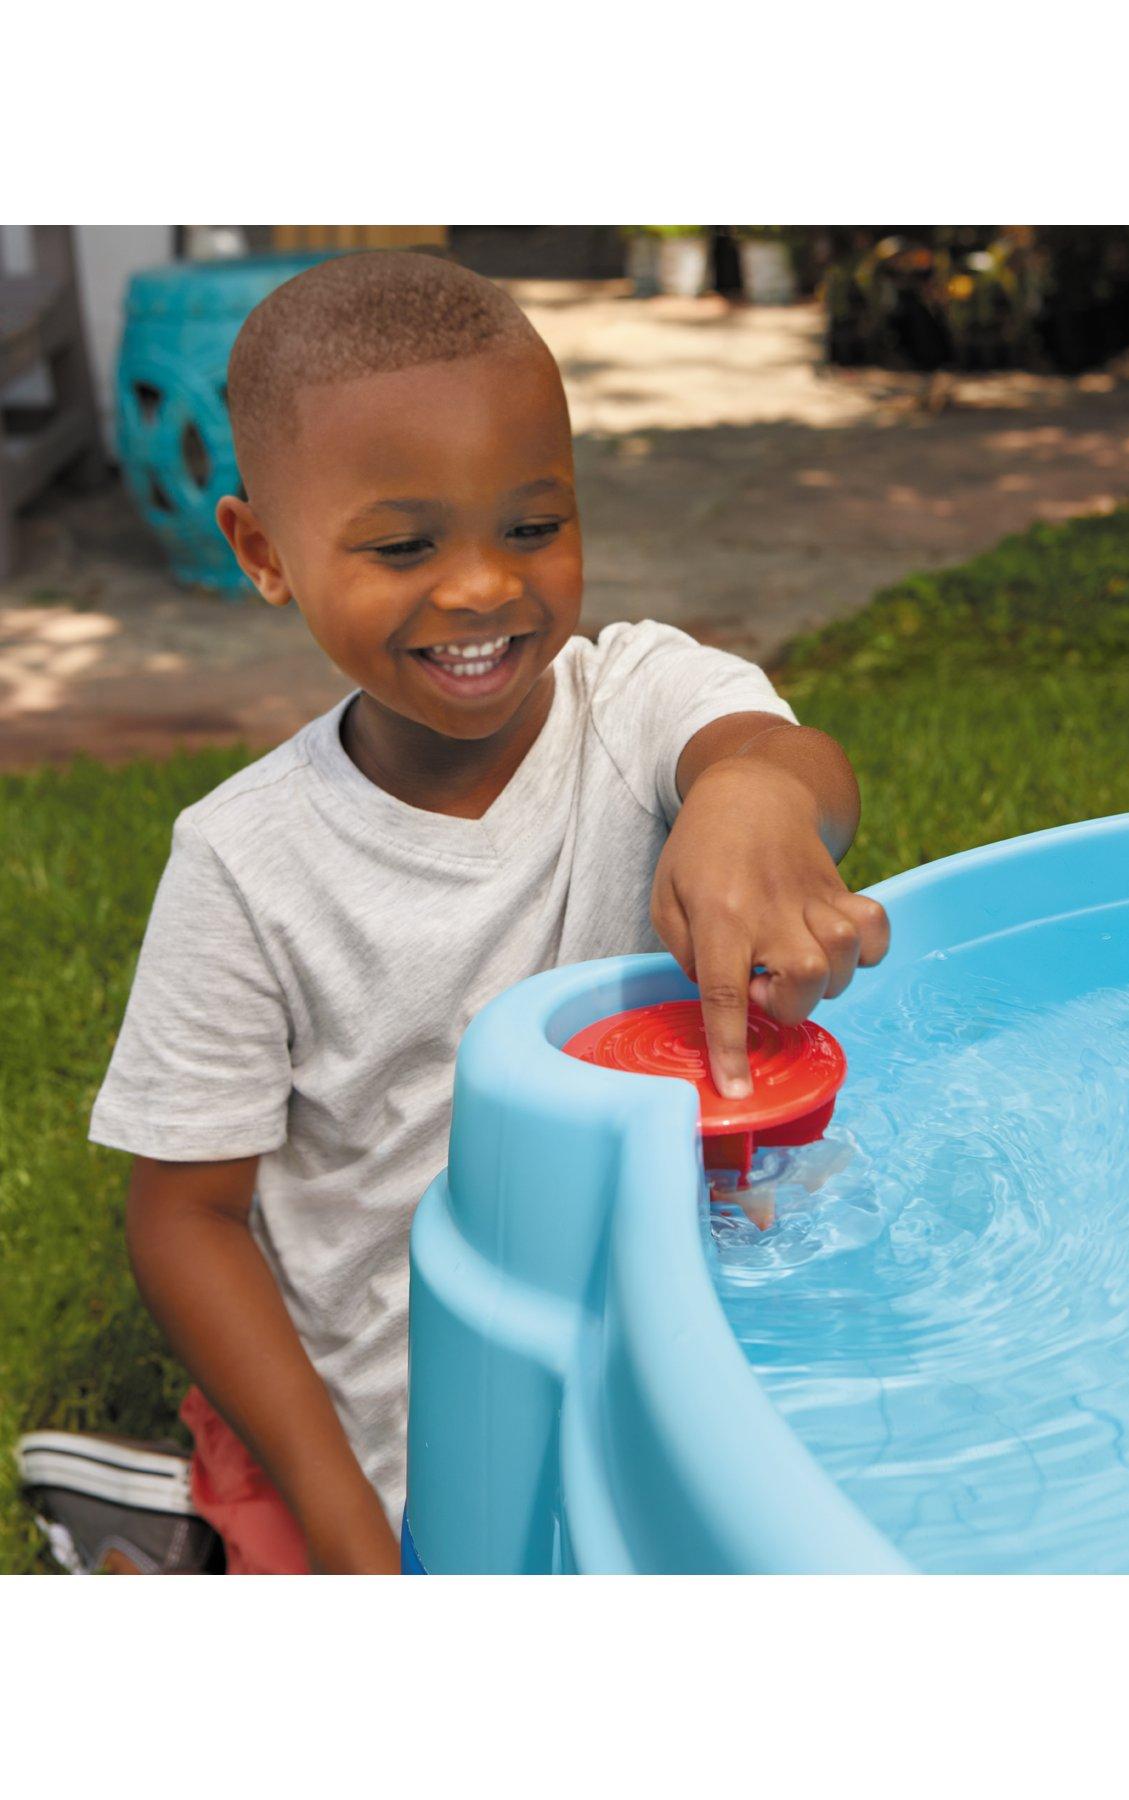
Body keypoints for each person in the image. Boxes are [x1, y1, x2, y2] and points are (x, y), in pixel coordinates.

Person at [37, 250, 889, 1574]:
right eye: (403, 545)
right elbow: (183, 1215)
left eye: (534, 526)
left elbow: (794, 768)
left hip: (651, 1337)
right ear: (264, 552)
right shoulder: (245, 864)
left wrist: (754, 799)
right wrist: (343, 1520)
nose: (486, 586)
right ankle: (168, 1521)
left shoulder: (643, 702)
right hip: (388, 1413)